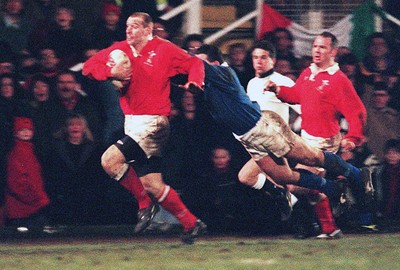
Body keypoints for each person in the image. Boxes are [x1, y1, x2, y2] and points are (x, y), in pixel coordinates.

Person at [191, 44, 372, 215]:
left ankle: (356, 175)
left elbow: (305, 107)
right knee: (281, 177)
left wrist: (317, 133)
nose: (258, 61)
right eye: (255, 57)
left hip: (270, 130)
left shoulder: (223, 73)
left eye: (263, 57)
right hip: (249, 136)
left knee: (312, 159)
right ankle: (330, 190)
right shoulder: (245, 83)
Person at [82, 12, 206, 244]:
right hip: (133, 124)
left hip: (154, 123)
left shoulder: (164, 49)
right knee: (152, 184)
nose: (129, 30)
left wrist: (195, 82)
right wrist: (111, 72)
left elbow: (194, 62)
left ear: (149, 30)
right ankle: (191, 223)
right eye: (128, 26)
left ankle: (144, 205)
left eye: (136, 26)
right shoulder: (120, 49)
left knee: (109, 161)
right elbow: (88, 67)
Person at [265, 32, 370, 234]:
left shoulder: (338, 80)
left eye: (322, 47)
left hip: (325, 142)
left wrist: (353, 138)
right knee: (307, 186)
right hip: (306, 140)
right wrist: (278, 90)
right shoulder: (308, 73)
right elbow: (297, 95)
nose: (317, 50)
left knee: (296, 186)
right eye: (315, 46)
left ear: (333, 52)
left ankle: (341, 189)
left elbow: (357, 111)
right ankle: (330, 225)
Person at [5, 116, 50, 229]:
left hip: (31, 204)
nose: (26, 132)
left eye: (28, 129)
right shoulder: (16, 152)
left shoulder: (30, 150)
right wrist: (35, 198)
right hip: (23, 207)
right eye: (22, 130)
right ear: (16, 132)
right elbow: (16, 182)